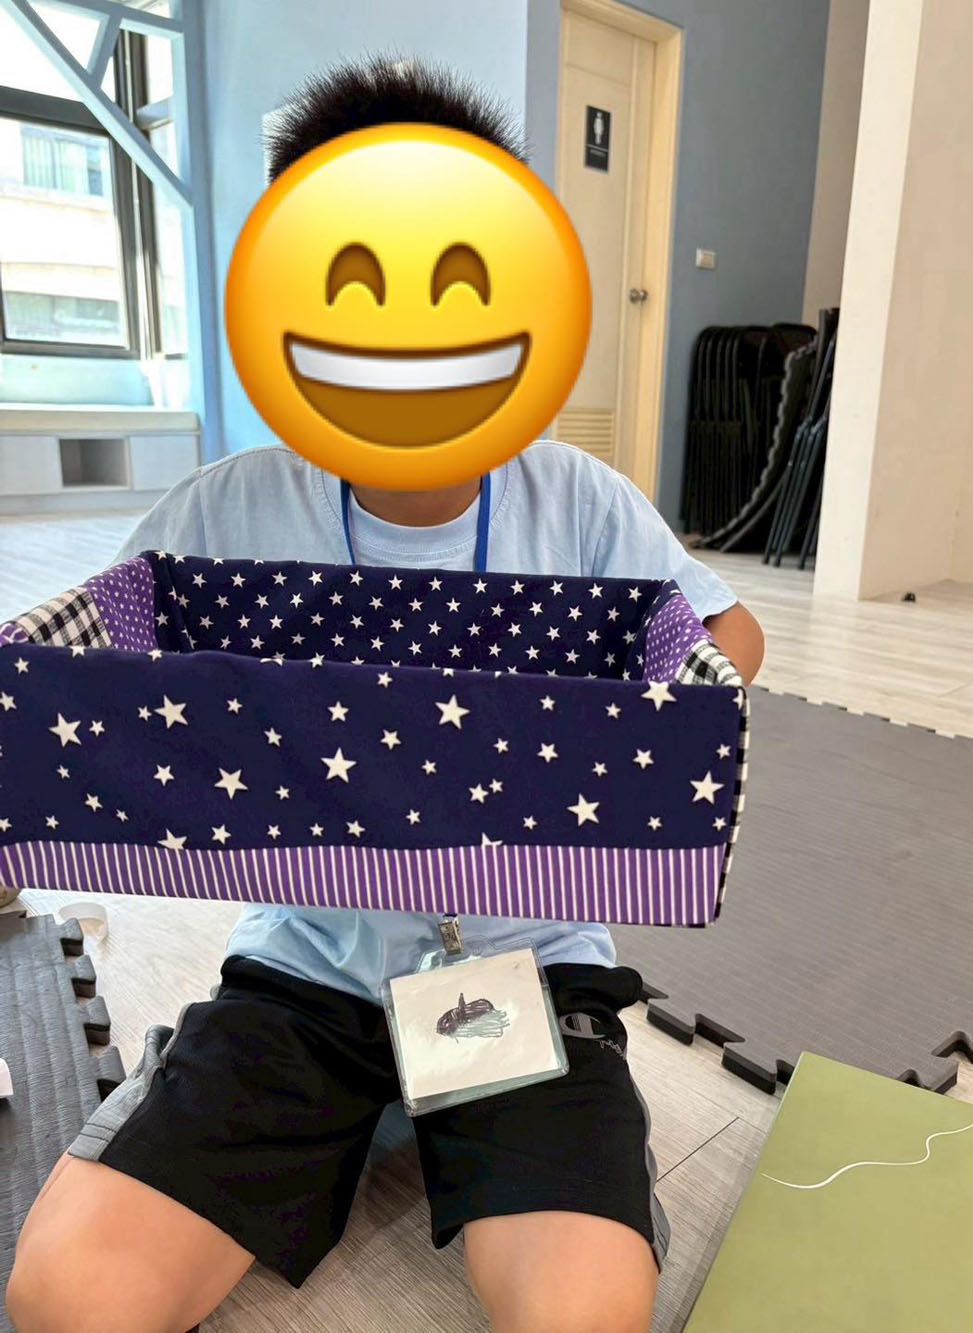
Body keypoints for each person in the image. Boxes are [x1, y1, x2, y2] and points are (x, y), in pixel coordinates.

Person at [7, 56, 764, 1333]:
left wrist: (625, 718)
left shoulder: (580, 502)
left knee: (582, 1319)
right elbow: (89, 655)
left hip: (524, 967)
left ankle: (568, 1141)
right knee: (69, 1297)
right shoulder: (227, 509)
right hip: (305, 968)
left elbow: (730, 634)